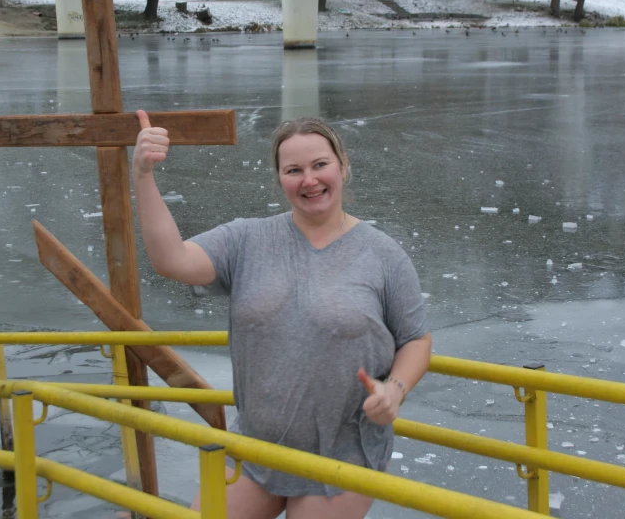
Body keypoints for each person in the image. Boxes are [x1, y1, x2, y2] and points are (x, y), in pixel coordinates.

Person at [132, 112, 432, 519]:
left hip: (342, 456)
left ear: (343, 166)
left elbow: (415, 338)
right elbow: (171, 260)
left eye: (320, 165)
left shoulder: (382, 255)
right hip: (256, 447)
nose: (309, 180)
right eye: (294, 170)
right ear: (280, 178)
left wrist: (394, 389)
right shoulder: (246, 240)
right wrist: (144, 174)